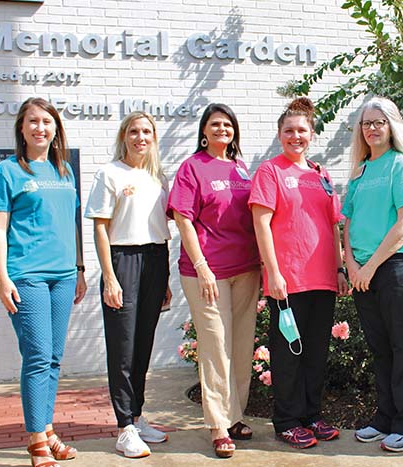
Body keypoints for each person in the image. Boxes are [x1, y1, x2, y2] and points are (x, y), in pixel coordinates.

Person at [0, 97, 87, 467]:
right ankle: (36, 439)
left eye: (47, 121)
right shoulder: (8, 171)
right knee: (38, 356)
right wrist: (2, 278)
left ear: (56, 128)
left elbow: (72, 223)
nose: (40, 127)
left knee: (54, 359)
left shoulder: (64, 171)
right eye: (33, 122)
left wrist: (80, 269)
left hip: (63, 276)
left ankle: (47, 428)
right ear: (22, 129)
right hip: (27, 275)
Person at [249, 97, 348, 449]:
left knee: (316, 352)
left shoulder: (320, 174)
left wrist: (339, 267)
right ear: (280, 135)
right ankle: (287, 420)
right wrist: (272, 273)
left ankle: (311, 415)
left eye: (302, 130)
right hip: (287, 280)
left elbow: (334, 223)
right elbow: (261, 224)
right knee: (288, 352)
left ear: (312, 134)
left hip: (322, 278)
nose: (296, 136)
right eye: (289, 131)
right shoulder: (270, 172)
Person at [167, 103, 261, 458]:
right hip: (206, 271)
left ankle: (234, 415)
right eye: (215, 124)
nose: (222, 129)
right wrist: (202, 265)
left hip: (245, 268)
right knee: (215, 345)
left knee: (239, 344)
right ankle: (218, 424)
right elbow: (183, 218)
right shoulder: (192, 167)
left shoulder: (241, 169)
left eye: (227, 124)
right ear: (204, 131)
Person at [85, 111, 171, 459]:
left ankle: (136, 415)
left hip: (156, 260)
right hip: (123, 260)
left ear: (153, 137)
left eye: (147, 131)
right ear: (124, 136)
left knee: (143, 346)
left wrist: (163, 280)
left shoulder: (158, 177)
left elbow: (161, 228)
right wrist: (109, 276)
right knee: (122, 348)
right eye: (134, 131)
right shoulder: (109, 173)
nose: (140, 137)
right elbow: (101, 228)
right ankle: (124, 427)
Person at [343, 97, 403, 453]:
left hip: (396, 265)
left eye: (379, 122)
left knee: (402, 345)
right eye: (366, 123)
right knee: (379, 348)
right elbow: (346, 223)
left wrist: (371, 265)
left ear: (392, 126)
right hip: (363, 270)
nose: (372, 128)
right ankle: (385, 418)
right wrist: (350, 265)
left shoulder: (400, 165)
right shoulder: (360, 170)